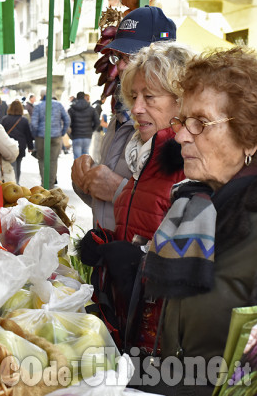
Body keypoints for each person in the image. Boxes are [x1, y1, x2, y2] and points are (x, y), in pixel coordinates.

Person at [137, 47, 257, 396]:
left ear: (249, 136)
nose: (180, 135)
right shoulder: (192, 206)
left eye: (201, 123)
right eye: (182, 121)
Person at [79, 42, 194, 352]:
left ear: (181, 101)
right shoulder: (143, 158)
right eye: (134, 97)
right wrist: (105, 243)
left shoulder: (190, 166)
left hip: (165, 349)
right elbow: (142, 228)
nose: (137, 108)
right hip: (130, 335)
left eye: (150, 97)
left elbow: (197, 272)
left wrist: (138, 264)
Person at [71, 6, 176, 229]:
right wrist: (86, 179)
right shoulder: (120, 117)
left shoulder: (174, 130)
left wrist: (118, 190)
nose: (120, 65)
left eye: (133, 56)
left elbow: (174, 218)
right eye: (118, 57)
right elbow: (106, 201)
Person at [30, 89, 71, 186]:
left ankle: (44, 182)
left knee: (42, 159)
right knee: (53, 160)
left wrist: (35, 134)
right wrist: (62, 132)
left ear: (41, 95)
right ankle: (51, 183)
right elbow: (67, 120)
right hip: (56, 136)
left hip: (41, 136)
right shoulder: (58, 105)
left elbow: (34, 123)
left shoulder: (38, 106)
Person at [1, 100, 34, 184]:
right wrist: (30, 147)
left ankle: (9, 183)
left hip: (7, 146)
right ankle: (16, 182)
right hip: (20, 146)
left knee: (9, 165)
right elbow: (28, 134)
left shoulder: (5, 119)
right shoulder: (24, 120)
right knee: (18, 165)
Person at [68, 91, 100, 159]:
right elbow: (97, 122)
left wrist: (70, 134)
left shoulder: (72, 109)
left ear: (77, 98)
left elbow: (68, 122)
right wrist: (91, 130)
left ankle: (77, 170)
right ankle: (85, 169)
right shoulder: (91, 109)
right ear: (84, 97)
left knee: (77, 158)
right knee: (85, 157)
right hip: (87, 136)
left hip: (76, 135)